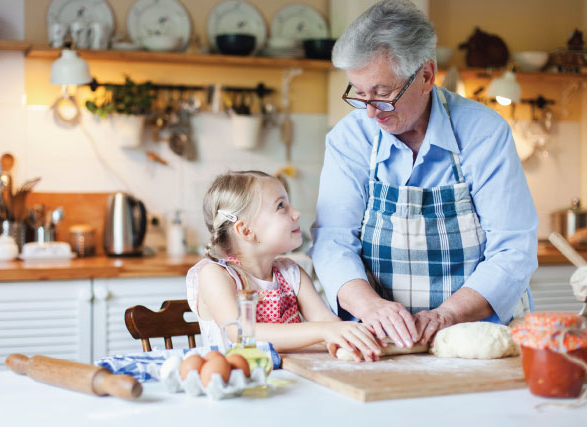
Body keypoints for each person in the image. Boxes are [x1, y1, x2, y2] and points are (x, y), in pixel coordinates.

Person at [310, 0, 538, 350]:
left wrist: (447, 315)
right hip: (376, 338)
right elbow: (333, 239)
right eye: (359, 94)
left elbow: (513, 249)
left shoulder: (483, 134)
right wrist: (370, 307)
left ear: (426, 76)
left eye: (383, 94)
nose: (370, 112)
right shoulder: (350, 137)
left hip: (473, 335)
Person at [187, 170, 381, 362]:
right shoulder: (216, 275)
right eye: (281, 206)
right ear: (246, 231)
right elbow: (239, 331)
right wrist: (325, 331)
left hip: (290, 380)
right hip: (237, 385)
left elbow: (327, 323)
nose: (296, 213)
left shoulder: (292, 273)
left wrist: (348, 335)